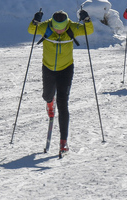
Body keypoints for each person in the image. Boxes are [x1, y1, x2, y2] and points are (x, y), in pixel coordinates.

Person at [29, 9, 93, 156]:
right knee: (47, 95)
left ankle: (63, 142)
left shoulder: (73, 28)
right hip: (48, 68)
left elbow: (89, 30)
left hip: (66, 69)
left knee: (63, 104)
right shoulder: (46, 26)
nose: (59, 31)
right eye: (56, 29)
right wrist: (35, 20)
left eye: (62, 29)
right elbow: (31, 29)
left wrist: (87, 19)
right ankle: (49, 102)